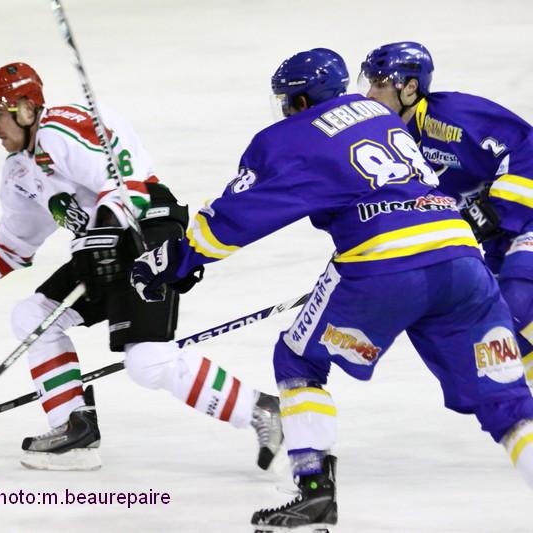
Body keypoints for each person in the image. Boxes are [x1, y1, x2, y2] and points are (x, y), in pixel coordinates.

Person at [130, 48, 533, 531]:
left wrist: (173, 262)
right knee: (507, 404)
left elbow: (236, 217)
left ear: (299, 101)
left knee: (298, 361)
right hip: (462, 261)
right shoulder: (382, 117)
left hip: (382, 266)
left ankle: (314, 493)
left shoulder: (290, 135)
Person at [0, 62, 283, 472]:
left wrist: (106, 230)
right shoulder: (20, 171)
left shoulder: (61, 128)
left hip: (145, 229)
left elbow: (129, 183)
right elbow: (16, 241)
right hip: (100, 248)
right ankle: (73, 429)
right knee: (32, 315)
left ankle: (261, 410)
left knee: (148, 360)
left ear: (26, 109)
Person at [360, 40, 533, 397]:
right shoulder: (392, 143)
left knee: (515, 306)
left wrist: (499, 207)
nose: (370, 94)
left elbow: (527, 146)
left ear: (410, 88)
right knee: (507, 338)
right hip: (499, 240)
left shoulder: (453, 116)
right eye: (370, 83)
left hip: (524, 220)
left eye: (380, 83)